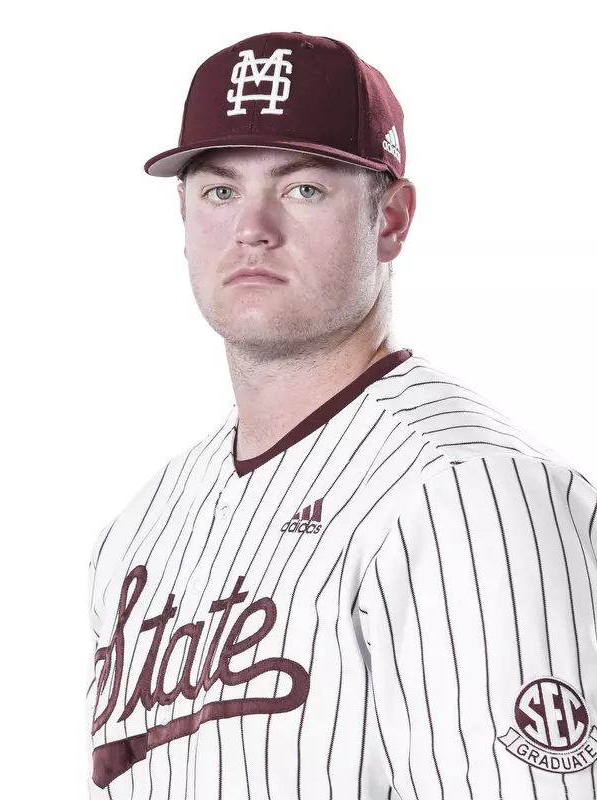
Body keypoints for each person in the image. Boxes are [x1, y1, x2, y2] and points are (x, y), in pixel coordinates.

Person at [87, 30, 597, 800]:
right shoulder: (141, 523)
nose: (252, 228)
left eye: (303, 189)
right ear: (184, 218)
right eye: (220, 191)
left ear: (390, 219)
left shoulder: (472, 493)